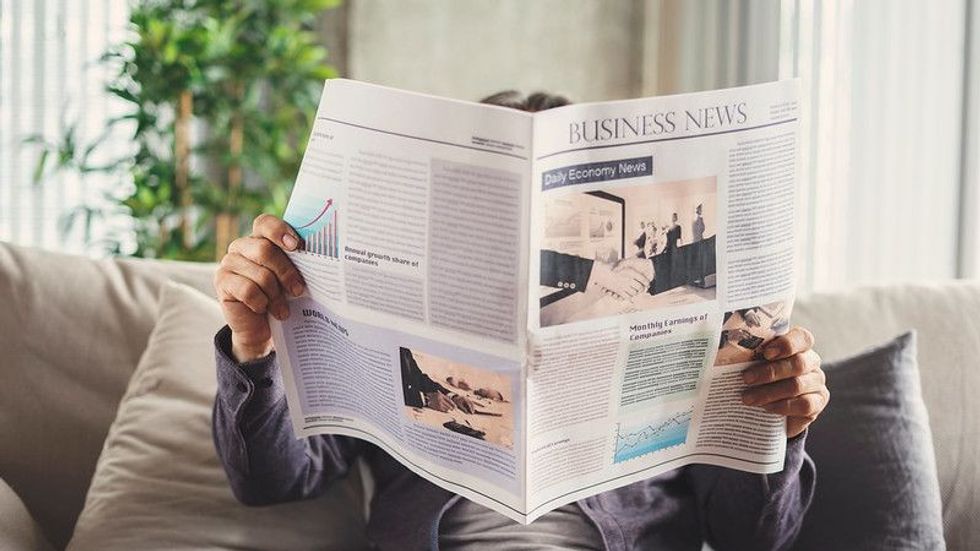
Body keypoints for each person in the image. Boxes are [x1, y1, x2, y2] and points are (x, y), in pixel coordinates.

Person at [212, 91, 828, 551]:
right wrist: (253, 343)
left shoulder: (687, 337)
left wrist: (782, 429)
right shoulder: (389, 327)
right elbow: (271, 480)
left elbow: (755, 538)